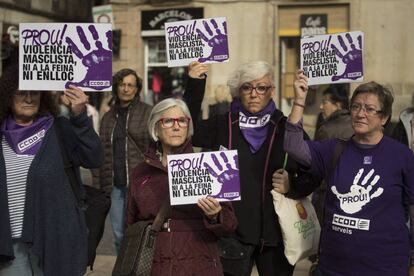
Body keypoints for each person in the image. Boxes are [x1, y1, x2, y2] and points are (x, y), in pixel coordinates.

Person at [184, 61, 320, 276]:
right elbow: (186, 129)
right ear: (240, 92)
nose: (254, 94)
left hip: (276, 238)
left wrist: (291, 186)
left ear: (271, 91)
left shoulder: (286, 127)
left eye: (261, 87)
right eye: (247, 87)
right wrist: (194, 83)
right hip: (232, 236)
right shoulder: (224, 124)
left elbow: (313, 174)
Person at [284, 70, 414, 276]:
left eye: (370, 109)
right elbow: (293, 145)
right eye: (356, 107)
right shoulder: (333, 149)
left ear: (385, 118)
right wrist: (299, 101)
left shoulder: (402, 156)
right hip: (333, 268)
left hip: (386, 268)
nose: (360, 114)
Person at [0, 64, 103, 276]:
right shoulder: (1, 137)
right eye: (21, 93)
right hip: (10, 247)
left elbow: (93, 158)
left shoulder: (58, 129)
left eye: (34, 92)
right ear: (8, 97)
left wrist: (80, 116)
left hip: (56, 241)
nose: (29, 98)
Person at [125, 98, 237, 275]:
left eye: (182, 121)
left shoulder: (211, 167)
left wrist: (215, 216)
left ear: (188, 127)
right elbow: (130, 225)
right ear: (156, 128)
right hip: (154, 264)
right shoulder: (141, 173)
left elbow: (230, 225)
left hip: (199, 264)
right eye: (168, 121)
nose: (176, 127)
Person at [97, 68, 152, 253]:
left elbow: (156, 147)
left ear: (137, 89)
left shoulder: (147, 112)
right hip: (115, 187)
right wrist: (100, 184)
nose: (126, 89)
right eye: (122, 84)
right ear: (116, 87)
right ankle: (125, 268)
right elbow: (101, 152)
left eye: (130, 85)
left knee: (140, 233)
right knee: (120, 235)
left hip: (140, 184)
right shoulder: (108, 117)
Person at [312, 85, 354, 223]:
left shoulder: (326, 130)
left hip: (328, 196)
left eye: (325, 102)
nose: (321, 107)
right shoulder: (357, 125)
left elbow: (315, 166)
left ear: (337, 105)